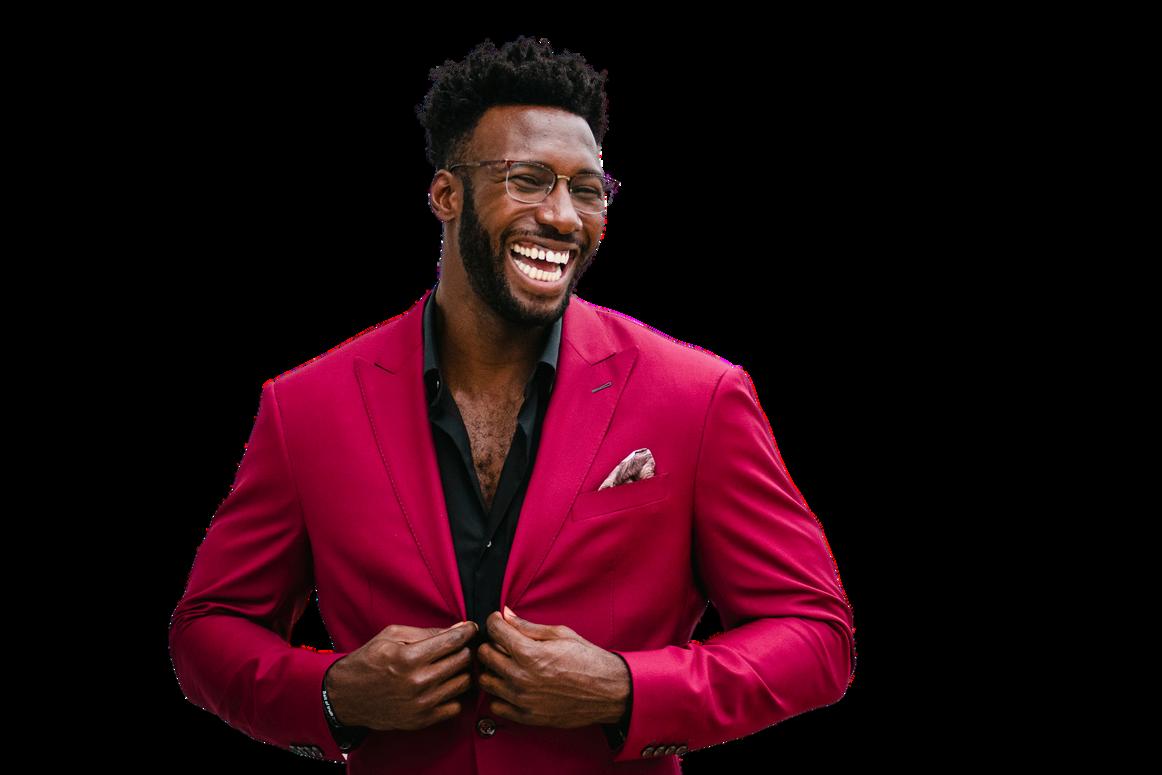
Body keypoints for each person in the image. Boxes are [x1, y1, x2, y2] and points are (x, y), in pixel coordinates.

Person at [169, 35, 856, 774]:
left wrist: (628, 689)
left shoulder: (699, 395)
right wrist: (333, 693)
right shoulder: (305, 405)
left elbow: (816, 633)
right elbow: (208, 628)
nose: (563, 217)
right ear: (446, 195)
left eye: (586, 189)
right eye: (528, 179)